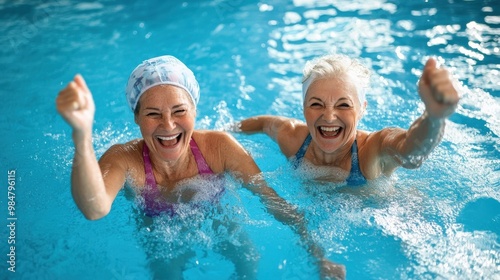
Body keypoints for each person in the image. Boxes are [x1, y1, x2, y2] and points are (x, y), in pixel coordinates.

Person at [56, 55, 345, 279]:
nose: (168, 125)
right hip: (158, 229)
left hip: (217, 215)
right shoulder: (124, 158)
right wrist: (82, 137)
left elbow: (273, 202)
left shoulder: (219, 147)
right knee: (166, 274)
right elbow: (94, 209)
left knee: (248, 262)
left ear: (195, 111)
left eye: (179, 111)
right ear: (137, 117)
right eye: (153, 114)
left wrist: (319, 256)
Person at [237, 54, 460, 185]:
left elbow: (410, 152)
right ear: (303, 108)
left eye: (343, 104)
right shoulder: (292, 137)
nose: (329, 116)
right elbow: (265, 123)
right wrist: (227, 130)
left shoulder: (371, 150)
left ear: (362, 109)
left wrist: (434, 118)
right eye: (316, 104)